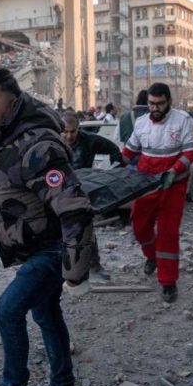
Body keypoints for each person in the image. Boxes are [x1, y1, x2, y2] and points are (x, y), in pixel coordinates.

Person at [0, 67, 93, 386]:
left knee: (7, 311)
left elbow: (75, 209)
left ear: (13, 104)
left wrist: (75, 272)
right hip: (38, 246)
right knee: (45, 311)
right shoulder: (8, 139)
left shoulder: (38, 146)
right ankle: (62, 385)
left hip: (52, 249)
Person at [122, 82, 193, 303]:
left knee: (167, 233)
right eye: (151, 104)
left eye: (160, 104)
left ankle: (168, 282)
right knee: (139, 227)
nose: (155, 108)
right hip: (147, 183)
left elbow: (192, 151)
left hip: (173, 186)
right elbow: (130, 150)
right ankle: (152, 256)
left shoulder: (183, 121)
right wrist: (117, 164)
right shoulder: (141, 123)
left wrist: (174, 170)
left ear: (169, 102)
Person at [61, 110, 122, 281]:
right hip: (58, 193)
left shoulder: (89, 140)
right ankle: (64, 269)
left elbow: (114, 150)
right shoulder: (52, 142)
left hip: (82, 192)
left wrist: (113, 172)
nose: (69, 136)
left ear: (78, 129)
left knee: (87, 230)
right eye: (65, 132)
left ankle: (94, 266)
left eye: (73, 131)